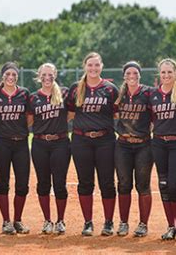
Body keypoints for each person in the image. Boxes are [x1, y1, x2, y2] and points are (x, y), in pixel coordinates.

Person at [67, 52, 118, 236]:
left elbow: (117, 114)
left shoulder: (110, 89)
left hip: (105, 140)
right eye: (90, 65)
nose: (93, 68)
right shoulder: (76, 88)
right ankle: (88, 223)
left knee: (107, 182)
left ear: (102, 66)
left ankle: (109, 222)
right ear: (84, 66)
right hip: (81, 140)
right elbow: (70, 114)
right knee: (85, 182)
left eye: (96, 65)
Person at [149, 58, 176, 241]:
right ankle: (170, 226)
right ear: (160, 74)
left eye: (169, 72)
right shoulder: (153, 95)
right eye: (163, 72)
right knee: (163, 185)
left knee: (174, 185)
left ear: (175, 73)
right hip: (158, 143)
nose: (166, 75)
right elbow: (152, 120)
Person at [27, 63, 70, 235]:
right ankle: (47, 220)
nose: (47, 78)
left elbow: (71, 115)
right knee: (43, 183)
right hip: (39, 144)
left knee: (60, 183)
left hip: (60, 142)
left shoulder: (64, 94)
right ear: (39, 76)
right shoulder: (33, 98)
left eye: (50, 75)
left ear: (55, 75)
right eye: (44, 75)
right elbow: (29, 121)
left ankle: (60, 220)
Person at [0, 62, 31, 235]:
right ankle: (6, 221)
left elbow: (29, 118)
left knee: (22, 184)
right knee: (3, 182)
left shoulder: (24, 93)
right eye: (8, 74)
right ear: (2, 76)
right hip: (1, 143)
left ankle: (18, 220)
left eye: (14, 74)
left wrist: (19, 130)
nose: (11, 77)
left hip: (21, 143)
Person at [114, 61, 153, 237]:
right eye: (128, 73)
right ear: (124, 76)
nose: (132, 76)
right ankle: (123, 223)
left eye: (135, 73)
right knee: (123, 184)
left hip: (143, 144)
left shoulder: (148, 93)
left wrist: (146, 131)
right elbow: (112, 113)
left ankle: (143, 224)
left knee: (143, 185)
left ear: (139, 75)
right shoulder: (119, 94)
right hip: (123, 144)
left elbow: (154, 115)